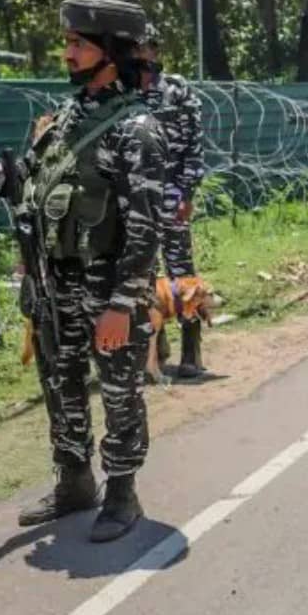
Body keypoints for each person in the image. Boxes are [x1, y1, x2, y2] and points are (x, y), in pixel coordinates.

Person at [0, 0, 167, 542]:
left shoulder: (136, 130)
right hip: (54, 286)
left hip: (107, 290)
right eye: (68, 43)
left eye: (78, 44)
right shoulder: (62, 121)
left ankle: (122, 492)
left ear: (111, 52)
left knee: (119, 392)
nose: (67, 53)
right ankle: (74, 482)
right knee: (61, 385)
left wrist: (122, 305)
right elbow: (27, 185)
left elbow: (146, 228)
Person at [136, 22, 208, 378]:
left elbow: (194, 145)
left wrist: (187, 192)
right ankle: (156, 348)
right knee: (143, 274)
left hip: (171, 192)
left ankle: (191, 351)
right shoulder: (121, 92)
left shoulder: (176, 91)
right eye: (134, 49)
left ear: (155, 50)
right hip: (136, 198)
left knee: (181, 272)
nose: (140, 54)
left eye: (145, 47)